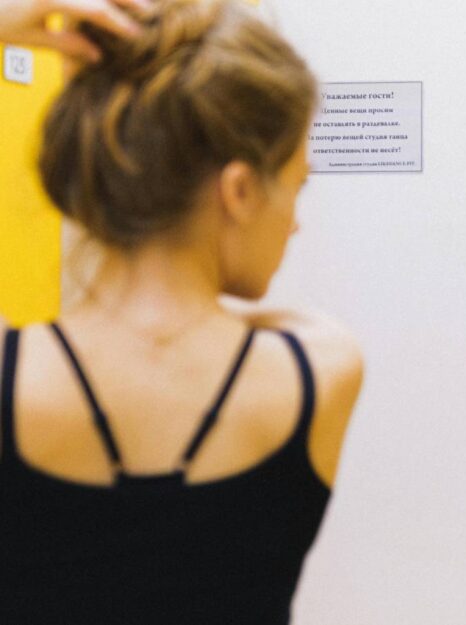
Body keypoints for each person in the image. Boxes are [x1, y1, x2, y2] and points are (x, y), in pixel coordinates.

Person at [0, 1, 363, 622]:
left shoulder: (12, 379)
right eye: (297, 184)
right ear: (241, 190)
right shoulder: (319, 371)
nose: (296, 221)